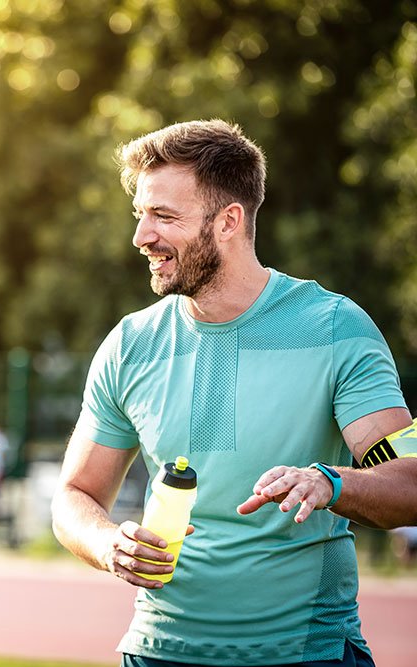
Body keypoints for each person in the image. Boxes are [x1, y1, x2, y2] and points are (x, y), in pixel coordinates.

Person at [51, 119, 417, 667]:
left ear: (229, 221)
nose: (141, 236)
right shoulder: (131, 344)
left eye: (164, 217)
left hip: (305, 654)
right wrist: (109, 545)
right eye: (141, 215)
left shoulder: (335, 327)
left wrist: (331, 482)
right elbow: (75, 496)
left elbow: (408, 480)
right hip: (156, 653)